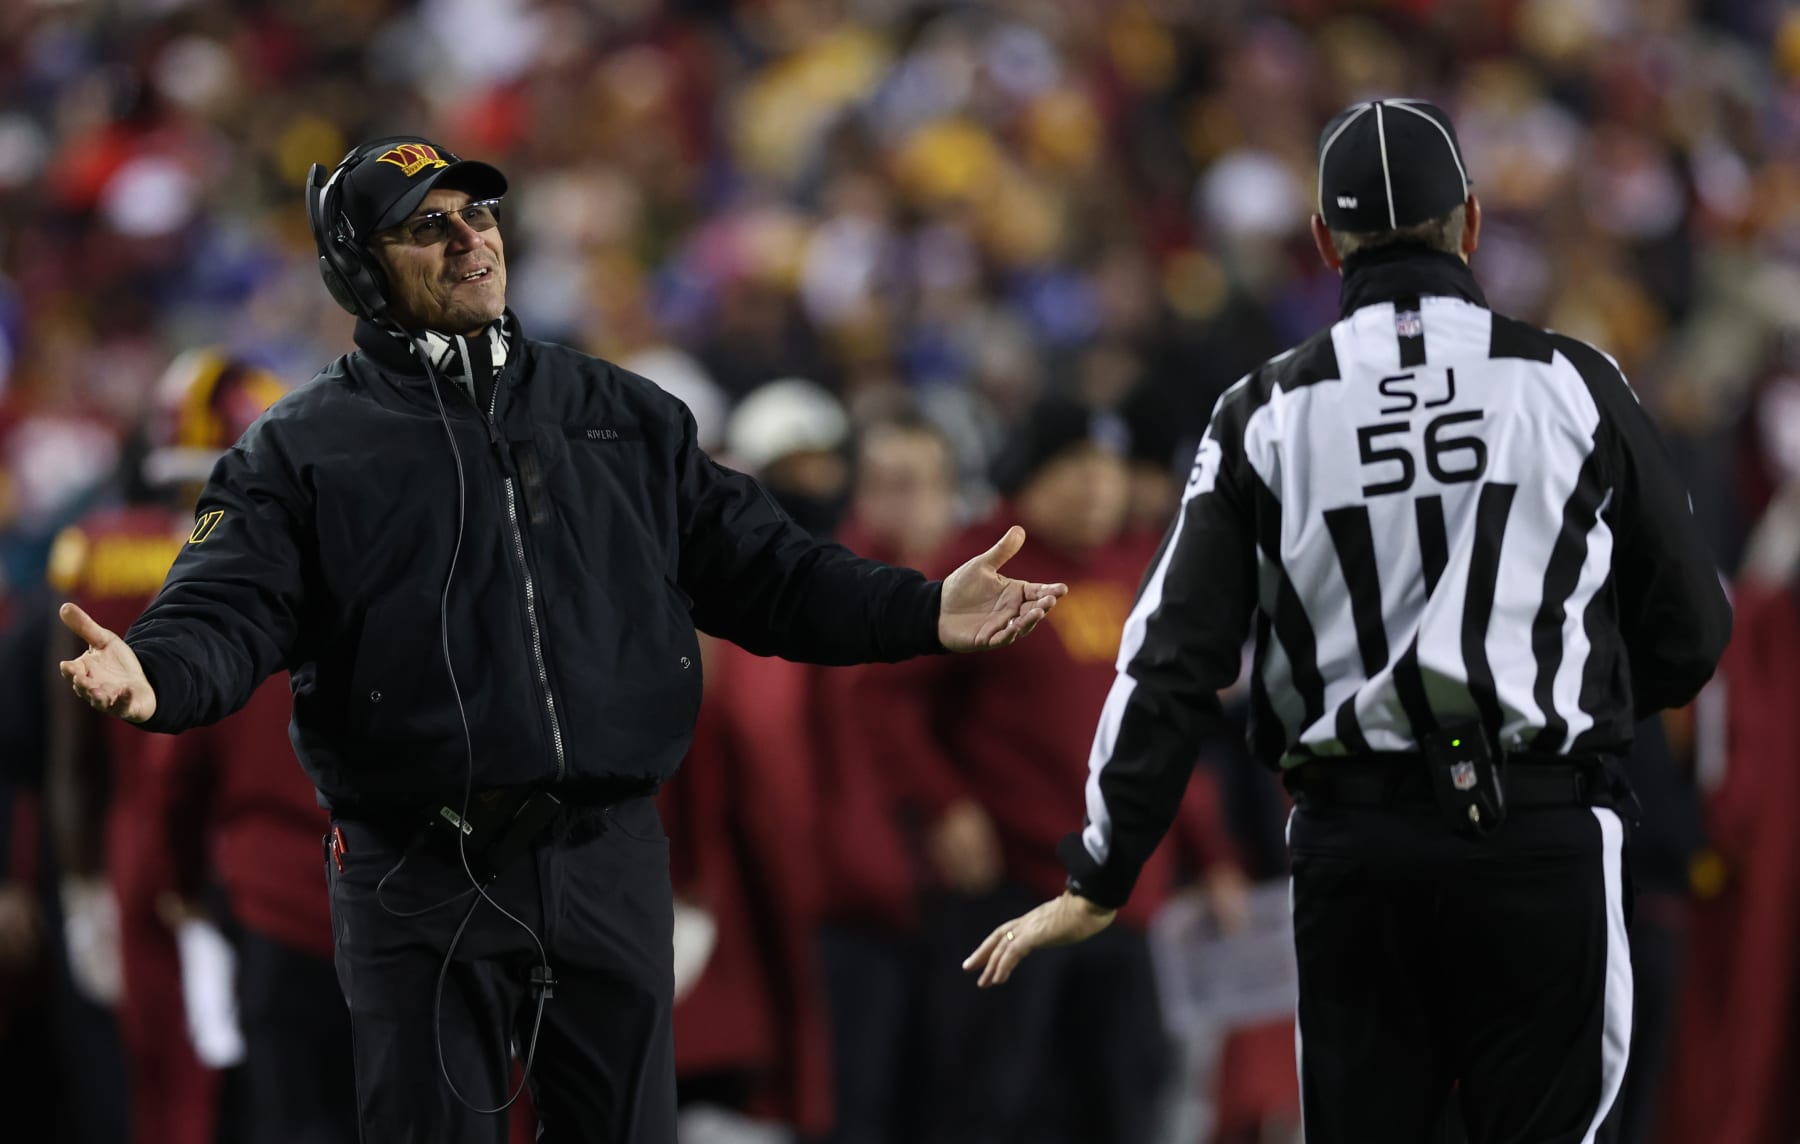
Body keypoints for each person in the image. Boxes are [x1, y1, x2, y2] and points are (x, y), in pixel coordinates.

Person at [55, 135, 1066, 1144]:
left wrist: (922, 610)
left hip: (606, 853)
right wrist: (156, 672)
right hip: (415, 865)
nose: (469, 242)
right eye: (427, 227)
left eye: (479, 216)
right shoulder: (299, 447)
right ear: (359, 268)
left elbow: (775, 574)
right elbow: (224, 608)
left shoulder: (622, 417)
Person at [964, 99, 1733, 1142]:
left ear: (1324, 242)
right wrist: (1573, 701)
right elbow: (1691, 626)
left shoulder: (1264, 409)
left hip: (1355, 843)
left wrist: (1104, 865)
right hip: (1540, 834)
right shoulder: (1569, 381)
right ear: (1469, 220)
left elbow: (1169, 657)